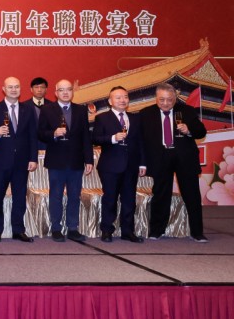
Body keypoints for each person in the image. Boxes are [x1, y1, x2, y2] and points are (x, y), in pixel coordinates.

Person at [139, 83, 208, 242]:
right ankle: (157, 230)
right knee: (160, 194)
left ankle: (197, 232)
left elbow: (201, 132)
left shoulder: (187, 111)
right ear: (156, 98)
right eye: (161, 99)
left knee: (192, 195)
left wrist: (189, 130)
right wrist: (142, 162)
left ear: (175, 98)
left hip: (185, 158)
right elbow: (140, 140)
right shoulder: (146, 113)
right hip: (160, 158)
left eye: (169, 100)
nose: (165, 103)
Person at [37, 79, 93, 242]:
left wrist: (89, 160)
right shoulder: (47, 109)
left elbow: (86, 136)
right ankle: (56, 228)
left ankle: (73, 228)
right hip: (56, 160)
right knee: (56, 195)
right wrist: (53, 134)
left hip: (76, 160)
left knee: (75, 195)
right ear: (56, 93)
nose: (65, 93)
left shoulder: (81, 110)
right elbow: (40, 133)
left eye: (68, 89)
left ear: (72, 92)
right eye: (61, 90)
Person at [0, 76, 38, 243]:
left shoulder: (28, 109)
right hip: (1, 161)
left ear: (20, 89)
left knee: (20, 197)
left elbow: (32, 136)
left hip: (22, 161)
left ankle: (18, 230)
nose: (14, 90)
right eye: (10, 87)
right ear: (4, 89)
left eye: (17, 87)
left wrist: (33, 158)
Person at [93, 86, 145, 243]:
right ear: (110, 101)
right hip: (110, 165)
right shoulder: (102, 118)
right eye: (118, 97)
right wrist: (113, 138)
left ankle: (127, 231)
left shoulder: (135, 118)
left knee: (129, 200)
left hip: (131, 166)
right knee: (110, 199)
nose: (123, 100)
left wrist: (142, 164)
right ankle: (107, 230)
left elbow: (141, 142)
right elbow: (95, 139)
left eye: (125, 97)